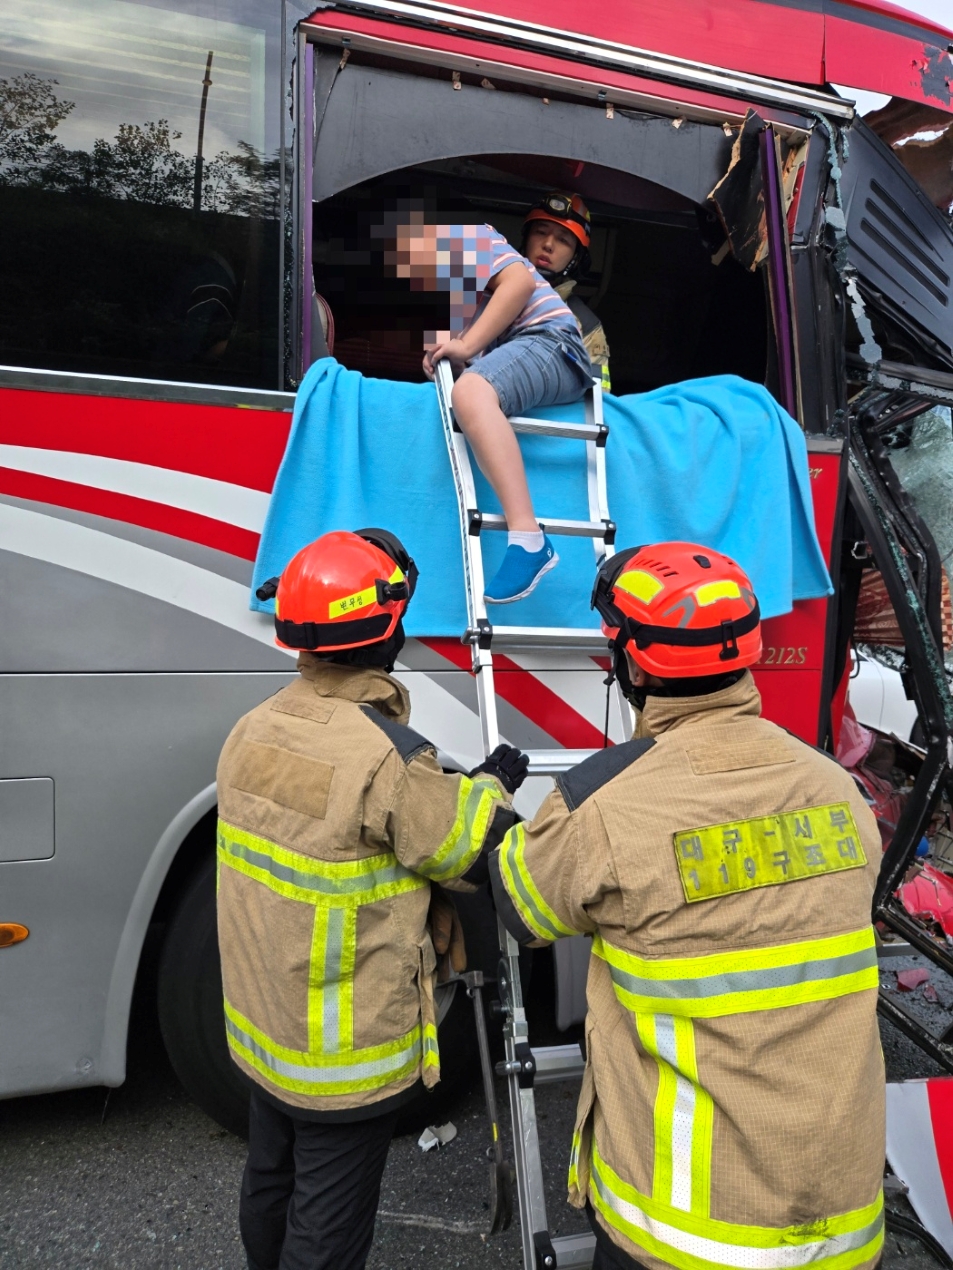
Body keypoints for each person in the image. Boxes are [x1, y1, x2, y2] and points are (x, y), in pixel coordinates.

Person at [488, 542, 886, 1270]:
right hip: (840, 1221)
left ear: (633, 666)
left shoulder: (605, 803)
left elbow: (521, 907)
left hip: (685, 1233)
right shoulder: (835, 789)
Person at [217, 527, 528, 1270]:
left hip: (262, 1031)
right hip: (339, 1056)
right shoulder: (386, 757)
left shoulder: (251, 729)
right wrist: (489, 784)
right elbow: (472, 847)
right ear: (388, 633)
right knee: (328, 1221)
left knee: (270, 1180)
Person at [385, 213, 593, 604]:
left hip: (552, 343)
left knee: (471, 393)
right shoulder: (463, 295)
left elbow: (520, 282)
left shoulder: (465, 238)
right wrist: (454, 359)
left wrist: (463, 350)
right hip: (542, 351)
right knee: (468, 389)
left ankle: (529, 539)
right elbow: (488, 357)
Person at [521, 191, 611, 392]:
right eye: (541, 232)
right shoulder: (484, 291)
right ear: (526, 237)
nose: (548, 244)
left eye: (563, 240)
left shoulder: (587, 328)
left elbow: (597, 402)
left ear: (576, 257)